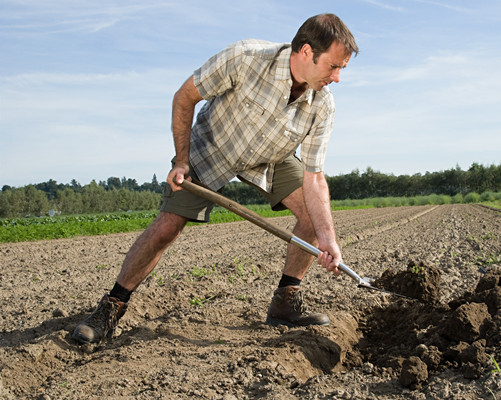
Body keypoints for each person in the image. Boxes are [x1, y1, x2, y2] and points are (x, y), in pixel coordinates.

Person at [72, 13, 358, 344]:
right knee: (167, 227)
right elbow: (185, 97)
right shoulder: (246, 58)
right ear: (306, 52)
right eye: (333, 66)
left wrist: (328, 238)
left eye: (342, 69)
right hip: (214, 146)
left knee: (312, 216)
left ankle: (285, 302)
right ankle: (111, 306)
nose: (337, 77)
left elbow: (314, 177)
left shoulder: (323, 104)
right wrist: (181, 161)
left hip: (271, 156)